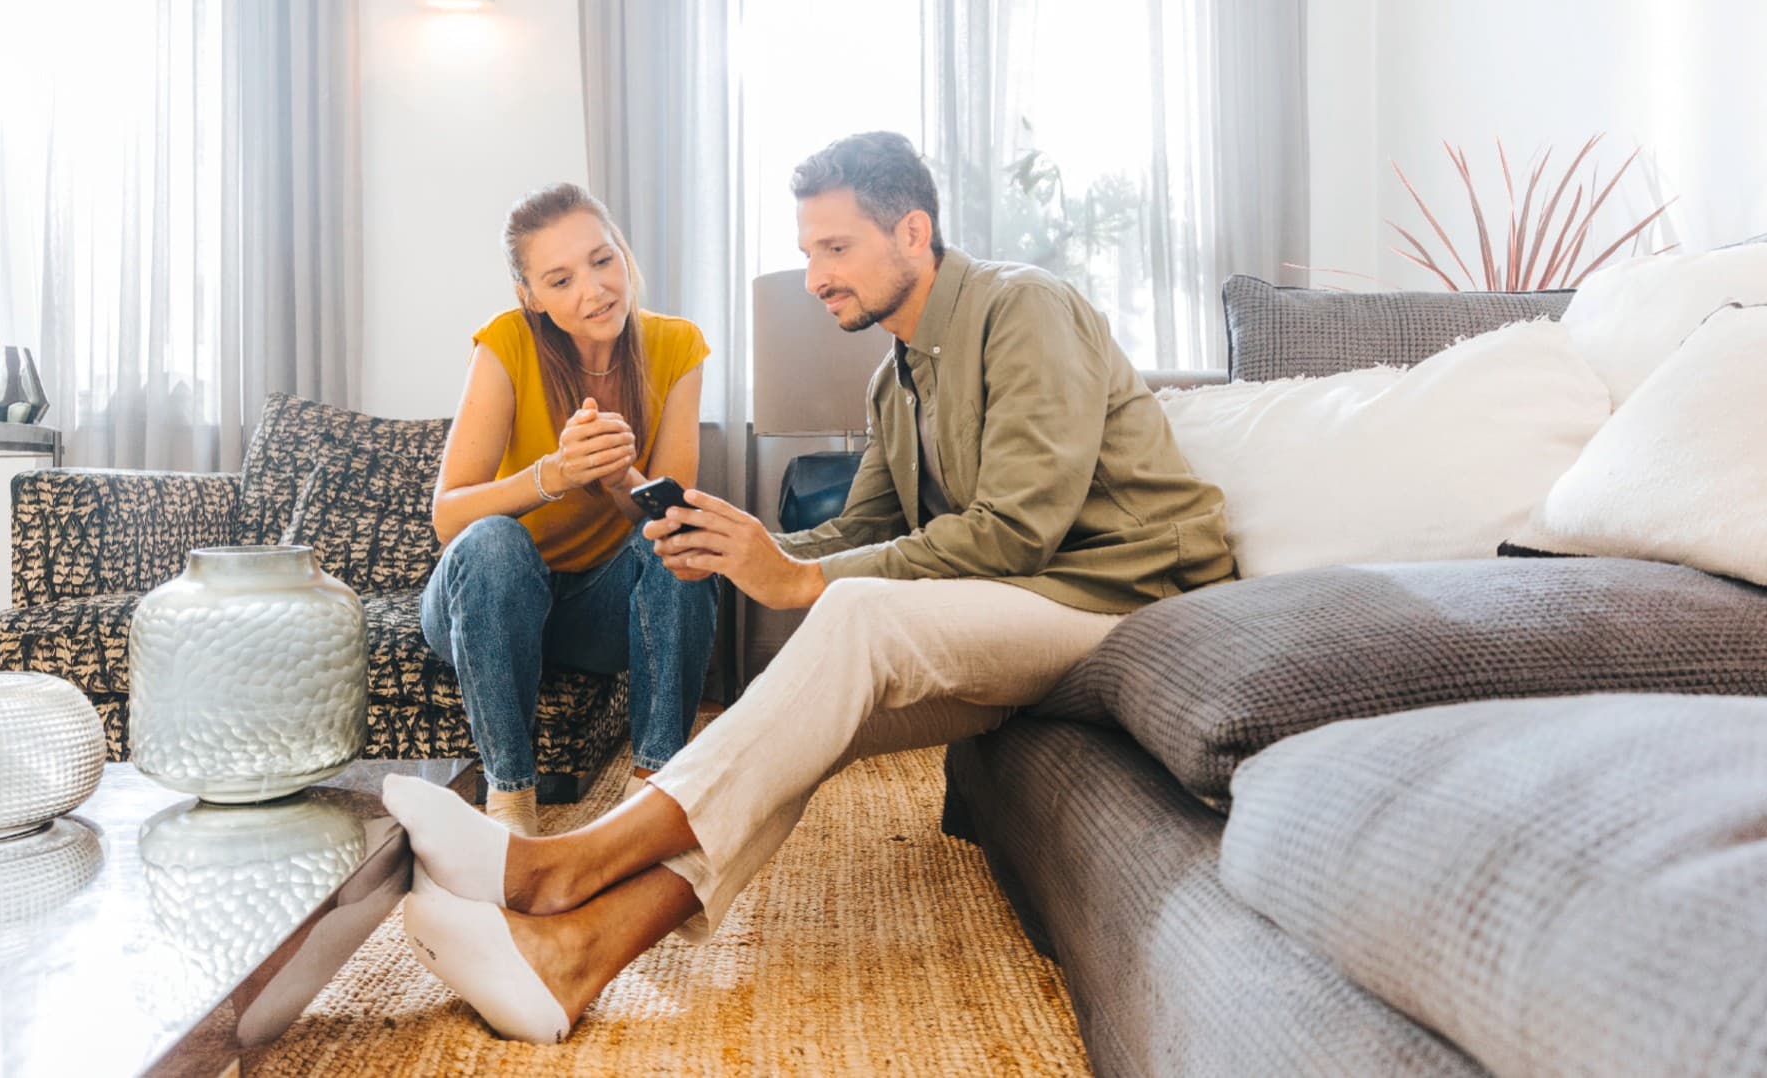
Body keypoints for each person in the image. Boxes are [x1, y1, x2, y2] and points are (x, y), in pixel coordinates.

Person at [385, 132, 1234, 1043]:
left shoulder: (1023, 308)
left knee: (854, 615)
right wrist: (741, 546)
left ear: (912, 232)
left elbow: (1017, 531)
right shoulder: (894, 376)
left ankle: (557, 871)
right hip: (1029, 605)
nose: (815, 276)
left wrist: (800, 577)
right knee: (803, 719)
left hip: (1123, 598)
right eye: (807, 254)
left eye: (835, 249)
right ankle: (575, 956)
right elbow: (856, 530)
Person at [419, 183, 718, 838]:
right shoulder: (506, 342)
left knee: (678, 542)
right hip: (484, 604)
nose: (594, 290)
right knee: (494, 539)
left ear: (623, 253)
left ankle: (655, 797)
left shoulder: (677, 347)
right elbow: (448, 520)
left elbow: (665, 516)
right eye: (560, 279)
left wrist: (618, 478)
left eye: (602, 260)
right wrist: (552, 476)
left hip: (593, 614)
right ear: (531, 296)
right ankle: (511, 803)